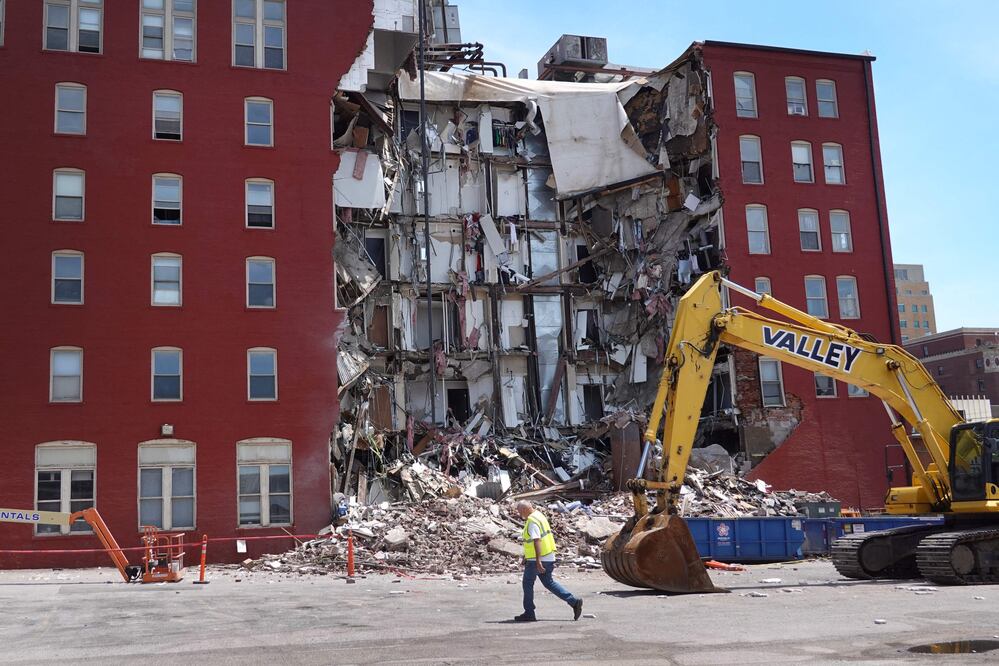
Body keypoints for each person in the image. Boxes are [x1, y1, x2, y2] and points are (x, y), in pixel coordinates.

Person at [513, 500, 583, 622]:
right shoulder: (539, 516)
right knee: (549, 583)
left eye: (520, 511)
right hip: (548, 556)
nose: (520, 514)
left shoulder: (532, 521)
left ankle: (529, 613)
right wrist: (527, 556)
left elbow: (537, 540)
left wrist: (538, 561)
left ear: (524, 509)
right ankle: (574, 602)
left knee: (527, 584)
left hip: (537, 560)